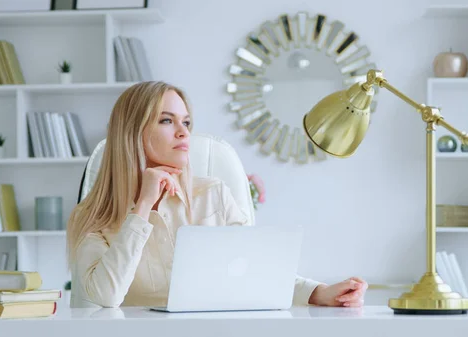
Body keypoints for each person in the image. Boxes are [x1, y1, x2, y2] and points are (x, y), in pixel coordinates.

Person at [66, 81, 368, 309]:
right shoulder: (93, 217)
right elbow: (106, 296)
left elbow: (256, 269)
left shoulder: (212, 195)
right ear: (131, 133)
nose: (184, 133)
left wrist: (320, 293)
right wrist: (142, 206)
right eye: (167, 120)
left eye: (186, 122)